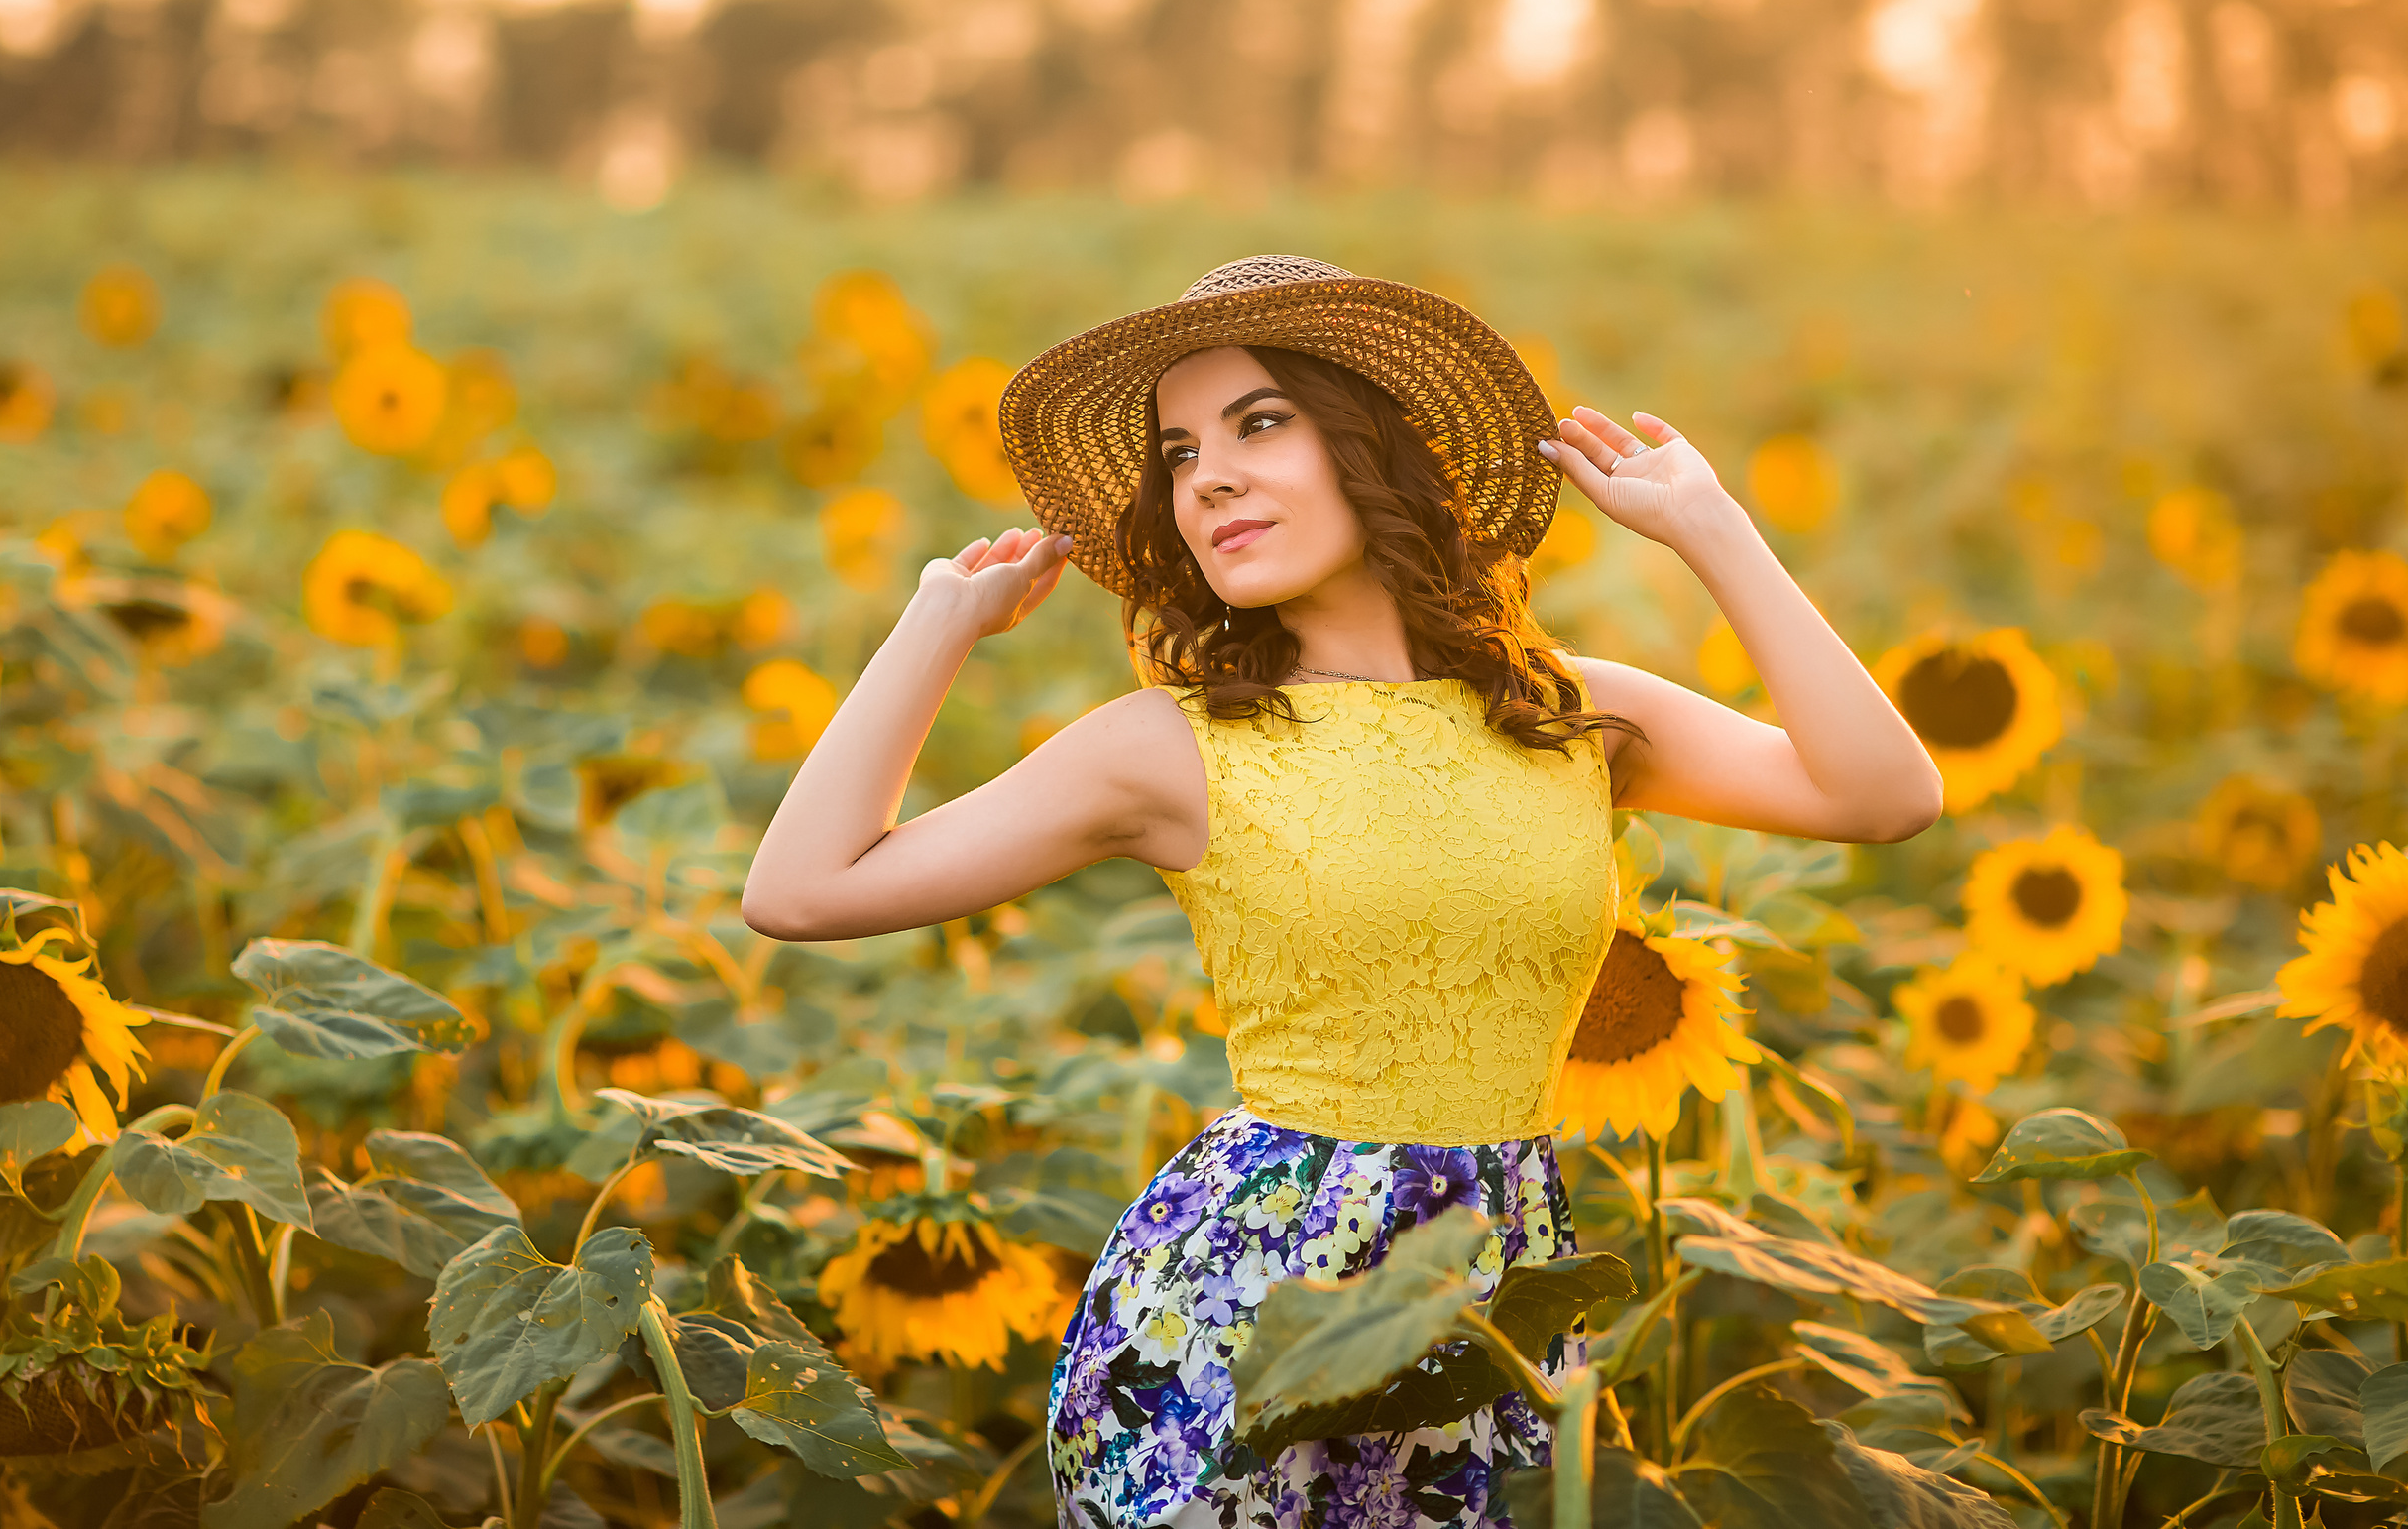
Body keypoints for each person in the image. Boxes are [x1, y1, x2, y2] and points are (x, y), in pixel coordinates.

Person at [741, 255, 1942, 1529]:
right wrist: (938, 621)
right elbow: (802, 890)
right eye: (1178, 453)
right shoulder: (1167, 745)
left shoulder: (1566, 713)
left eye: (1260, 424)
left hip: (1504, 1304)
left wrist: (1714, 530)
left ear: (1378, 450)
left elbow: (1882, 796)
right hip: (1241, 1325)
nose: (1207, 477)